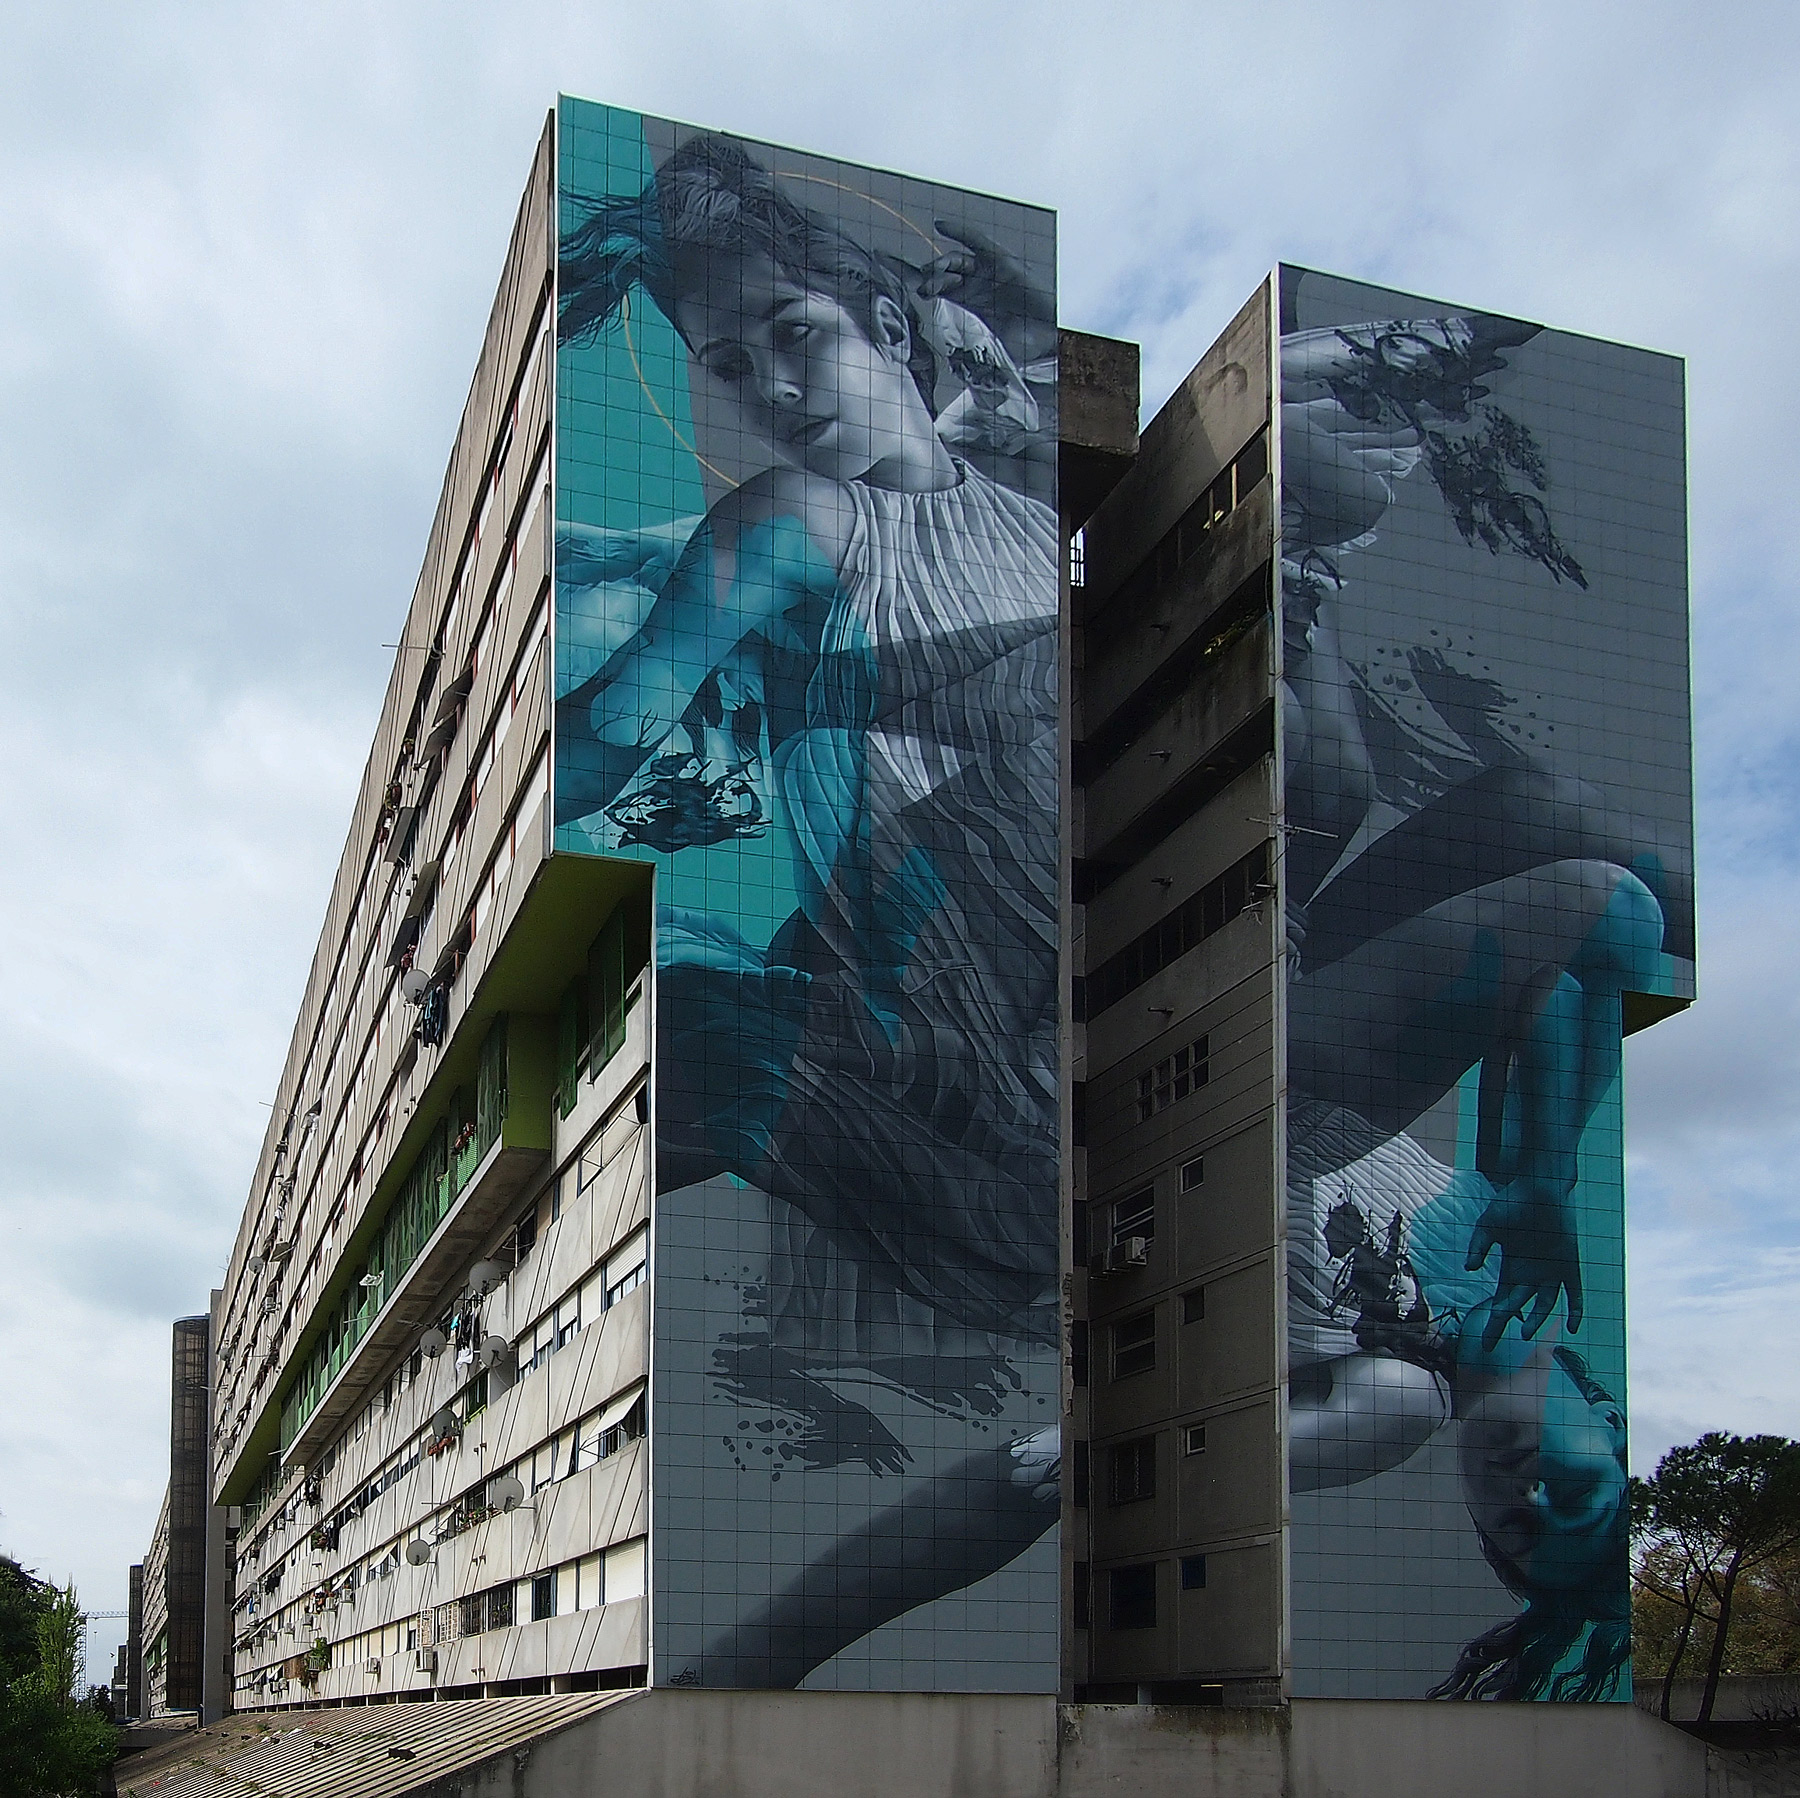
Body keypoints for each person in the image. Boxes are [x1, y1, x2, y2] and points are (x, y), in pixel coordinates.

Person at [555, 135, 1061, 1686]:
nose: (775, 385)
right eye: (729, 364)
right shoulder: (791, 522)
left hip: (1056, 1062)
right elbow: (617, 727)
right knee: (689, 1046)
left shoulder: (1033, 520)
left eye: (799, 333)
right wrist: (487, 795)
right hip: (909, 1037)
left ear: (883, 325)